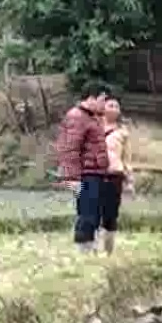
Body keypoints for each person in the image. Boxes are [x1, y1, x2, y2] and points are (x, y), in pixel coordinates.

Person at [55, 84, 109, 249]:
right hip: (85, 174)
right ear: (91, 98)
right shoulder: (77, 117)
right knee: (87, 214)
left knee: (95, 213)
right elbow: (70, 148)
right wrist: (72, 178)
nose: (104, 105)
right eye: (102, 100)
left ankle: (90, 248)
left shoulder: (92, 117)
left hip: (96, 172)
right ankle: (83, 251)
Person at [95, 96, 133, 256]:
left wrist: (130, 180)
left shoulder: (123, 133)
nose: (113, 108)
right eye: (110, 105)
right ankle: (92, 250)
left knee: (111, 215)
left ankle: (108, 251)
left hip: (115, 175)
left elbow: (127, 159)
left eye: (116, 106)